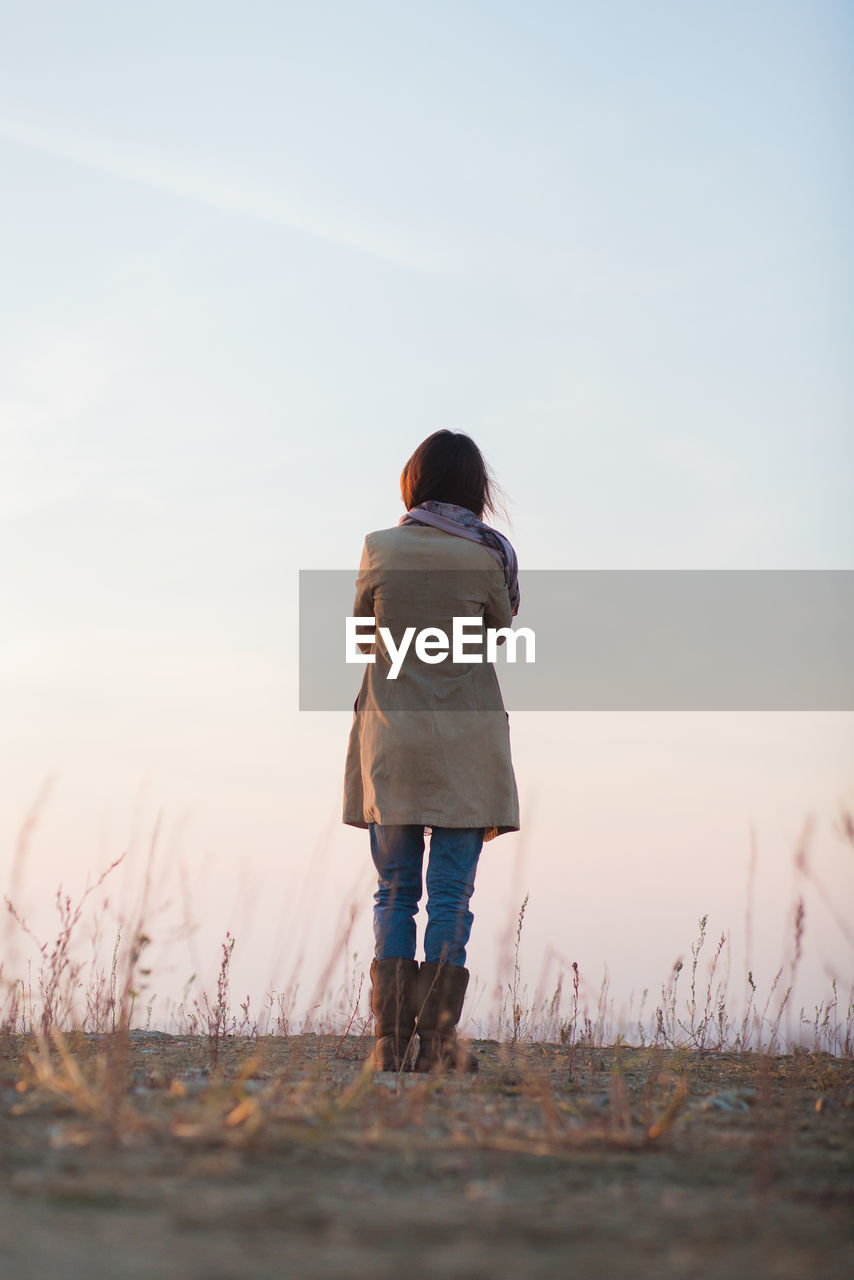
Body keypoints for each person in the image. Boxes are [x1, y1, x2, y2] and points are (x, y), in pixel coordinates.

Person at [343, 430, 520, 1072]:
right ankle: (439, 1045)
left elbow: (365, 632)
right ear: (476, 490)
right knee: (451, 895)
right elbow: (497, 632)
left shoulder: (379, 549)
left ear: (413, 482)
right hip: (467, 745)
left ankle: (389, 1043)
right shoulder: (489, 558)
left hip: (393, 738)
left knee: (394, 890)